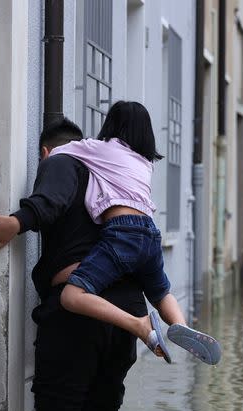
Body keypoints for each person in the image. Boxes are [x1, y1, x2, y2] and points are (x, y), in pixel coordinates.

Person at [0, 118, 150, 411]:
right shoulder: (112, 176)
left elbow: (51, 199)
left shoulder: (61, 160)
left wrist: (16, 222)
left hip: (79, 312)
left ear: (45, 152)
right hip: (128, 310)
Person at [50, 101, 220, 365]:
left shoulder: (100, 148)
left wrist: (46, 158)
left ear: (112, 124)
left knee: (71, 296)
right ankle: (181, 325)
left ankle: (139, 324)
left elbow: (59, 152)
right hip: (150, 234)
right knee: (161, 293)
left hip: (122, 233)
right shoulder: (144, 163)